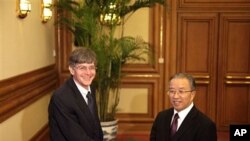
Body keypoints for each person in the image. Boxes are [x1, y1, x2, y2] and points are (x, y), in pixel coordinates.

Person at [48, 47, 103, 141]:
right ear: (72, 70)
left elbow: (94, 124)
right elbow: (76, 137)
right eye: (82, 68)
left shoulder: (91, 87)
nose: (88, 73)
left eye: (91, 67)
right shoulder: (61, 98)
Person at [150, 73, 217, 141]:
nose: (175, 96)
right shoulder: (161, 117)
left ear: (192, 94)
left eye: (181, 91)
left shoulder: (205, 125)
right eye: (172, 91)